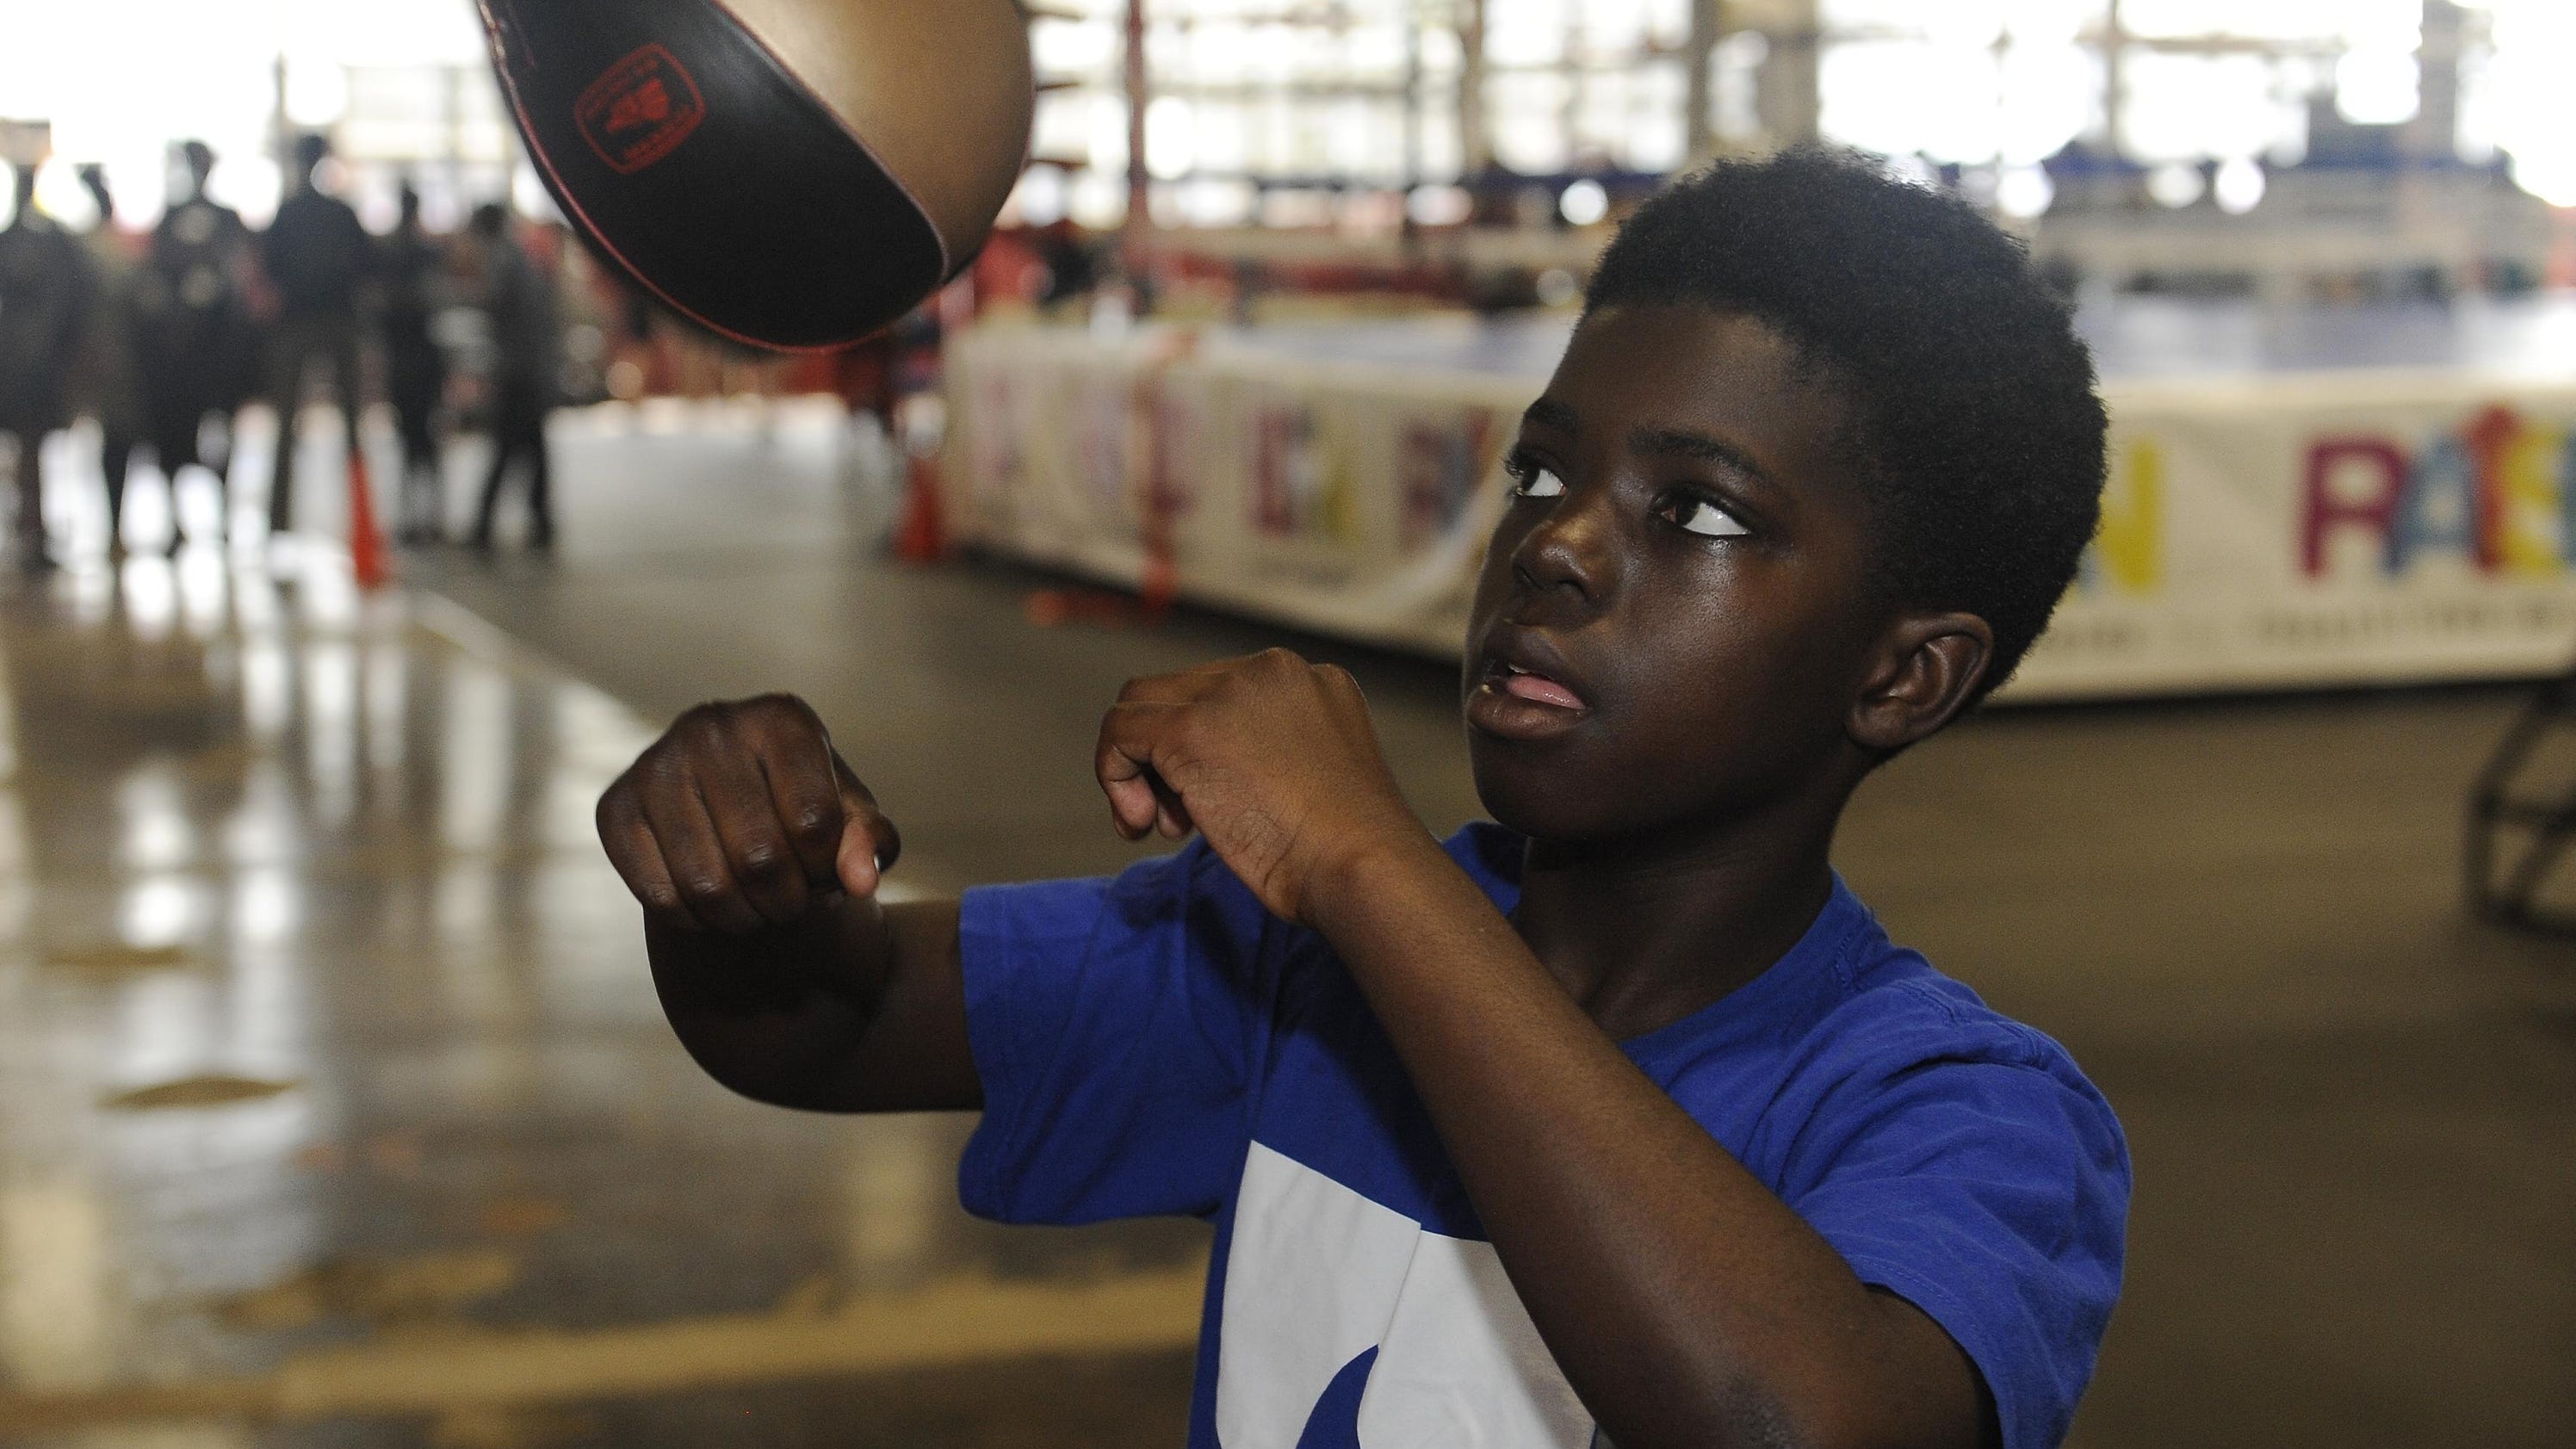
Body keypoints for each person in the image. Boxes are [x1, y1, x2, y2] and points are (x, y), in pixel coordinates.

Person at [595, 150, 2129, 1449]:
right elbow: (823, 1024)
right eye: (1542, 474)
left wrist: (1363, 859)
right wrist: (740, 870)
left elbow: (1789, 1415)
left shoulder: (1962, 1112)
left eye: (1699, 511)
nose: (1559, 548)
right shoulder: (1287, 968)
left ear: (1902, 677)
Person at [133, 140, 253, 553]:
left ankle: (221, 519)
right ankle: (175, 520)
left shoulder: (226, 219)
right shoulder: (170, 217)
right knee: (173, 436)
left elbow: (238, 276)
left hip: (216, 351)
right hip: (175, 353)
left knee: (220, 437)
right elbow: (154, 275)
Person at [260, 132, 370, 538]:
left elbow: (270, 267)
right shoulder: (340, 214)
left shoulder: (288, 214)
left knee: (287, 425)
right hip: (336, 321)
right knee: (352, 426)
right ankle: (360, 517)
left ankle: (279, 519)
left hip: (298, 323)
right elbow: (365, 266)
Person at [0, 159, 96, 571]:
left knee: (33, 450)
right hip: (24, 365)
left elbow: (75, 301)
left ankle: (31, 529)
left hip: (36, 365)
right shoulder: (32, 243)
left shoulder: (47, 244)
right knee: (30, 451)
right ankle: (29, 529)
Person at [463, 202, 558, 550]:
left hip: (518, 371)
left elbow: (495, 301)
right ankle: (541, 523)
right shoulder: (520, 256)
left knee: (506, 447)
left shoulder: (502, 258)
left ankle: (484, 527)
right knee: (533, 448)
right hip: (532, 367)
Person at [71, 164, 149, 557]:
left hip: (120, 358)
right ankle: (113, 526)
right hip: (106, 358)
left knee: (120, 441)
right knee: (116, 441)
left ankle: (115, 526)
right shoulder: (98, 246)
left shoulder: (106, 244)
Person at [379, 183, 449, 544]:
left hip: (408, 361)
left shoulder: (393, 255)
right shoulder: (424, 255)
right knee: (422, 442)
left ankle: (419, 516)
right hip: (419, 359)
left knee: (412, 442)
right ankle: (428, 516)